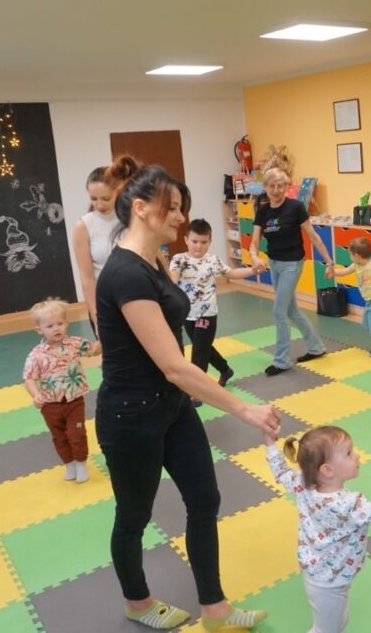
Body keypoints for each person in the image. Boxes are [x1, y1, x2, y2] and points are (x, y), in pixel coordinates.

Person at [95, 155, 280, 631]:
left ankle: (215, 609)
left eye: (181, 207)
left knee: (204, 499)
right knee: (133, 516)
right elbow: (174, 366)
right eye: (172, 207)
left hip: (172, 408)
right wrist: (244, 409)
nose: (180, 217)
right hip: (131, 416)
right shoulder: (125, 273)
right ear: (140, 208)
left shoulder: (155, 261)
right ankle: (137, 602)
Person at [265, 425, 371, 633]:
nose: (356, 455)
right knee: (327, 629)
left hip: (319, 571)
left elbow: (281, 472)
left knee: (336, 623)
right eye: (348, 453)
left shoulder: (302, 484)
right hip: (329, 581)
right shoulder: (348, 505)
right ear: (327, 470)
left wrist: (270, 444)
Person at [249, 167, 335, 376]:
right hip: (274, 263)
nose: (276, 190)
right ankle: (316, 347)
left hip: (292, 264)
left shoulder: (295, 207)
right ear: (265, 187)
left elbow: (313, 236)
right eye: (272, 186)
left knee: (279, 311)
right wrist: (254, 256)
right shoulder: (263, 212)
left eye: (281, 186)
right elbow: (254, 242)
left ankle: (281, 361)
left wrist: (329, 261)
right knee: (291, 310)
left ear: (286, 187)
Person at [169, 219, 258, 392]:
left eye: (203, 242)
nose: (198, 246)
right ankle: (225, 370)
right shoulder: (179, 259)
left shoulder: (212, 260)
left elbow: (232, 273)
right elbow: (173, 276)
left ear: (210, 242)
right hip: (187, 313)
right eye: (195, 241)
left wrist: (252, 270)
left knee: (199, 352)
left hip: (207, 313)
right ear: (186, 240)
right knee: (204, 346)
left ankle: (197, 391)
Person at [22, 297, 101, 484]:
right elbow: (29, 377)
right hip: (50, 405)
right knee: (59, 437)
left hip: (74, 401)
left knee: (77, 434)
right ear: (39, 330)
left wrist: (105, 335)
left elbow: (94, 350)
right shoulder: (36, 354)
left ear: (67, 323)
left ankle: (81, 463)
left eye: (60, 323)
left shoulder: (74, 344)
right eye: (50, 326)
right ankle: (69, 464)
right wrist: (36, 395)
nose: (56, 329)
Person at [73, 162, 124, 336]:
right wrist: (96, 316)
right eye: (94, 199)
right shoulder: (84, 225)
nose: (99, 204)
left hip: (135, 296)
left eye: (105, 198)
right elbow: (86, 278)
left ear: (118, 191)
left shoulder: (130, 218)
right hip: (105, 304)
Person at [331, 236, 371, 357]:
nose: (350, 257)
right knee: (366, 325)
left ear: (356, 255)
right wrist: (332, 272)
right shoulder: (356, 265)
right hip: (369, 302)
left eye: (350, 254)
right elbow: (343, 272)